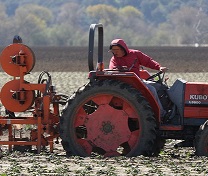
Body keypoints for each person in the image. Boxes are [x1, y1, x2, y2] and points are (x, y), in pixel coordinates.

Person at [108, 38, 168, 117]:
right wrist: (118, 69)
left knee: (159, 87)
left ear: (123, 49)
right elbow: (112, 70)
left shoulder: (135, 54)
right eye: (113, 50)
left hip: (137, 81)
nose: (114, 52)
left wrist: (159, 67)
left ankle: (166, 108)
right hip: (127, 84)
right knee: (151, 90)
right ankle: (161, 114)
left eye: (116, 49)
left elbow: (148, 61)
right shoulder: (114, 59)